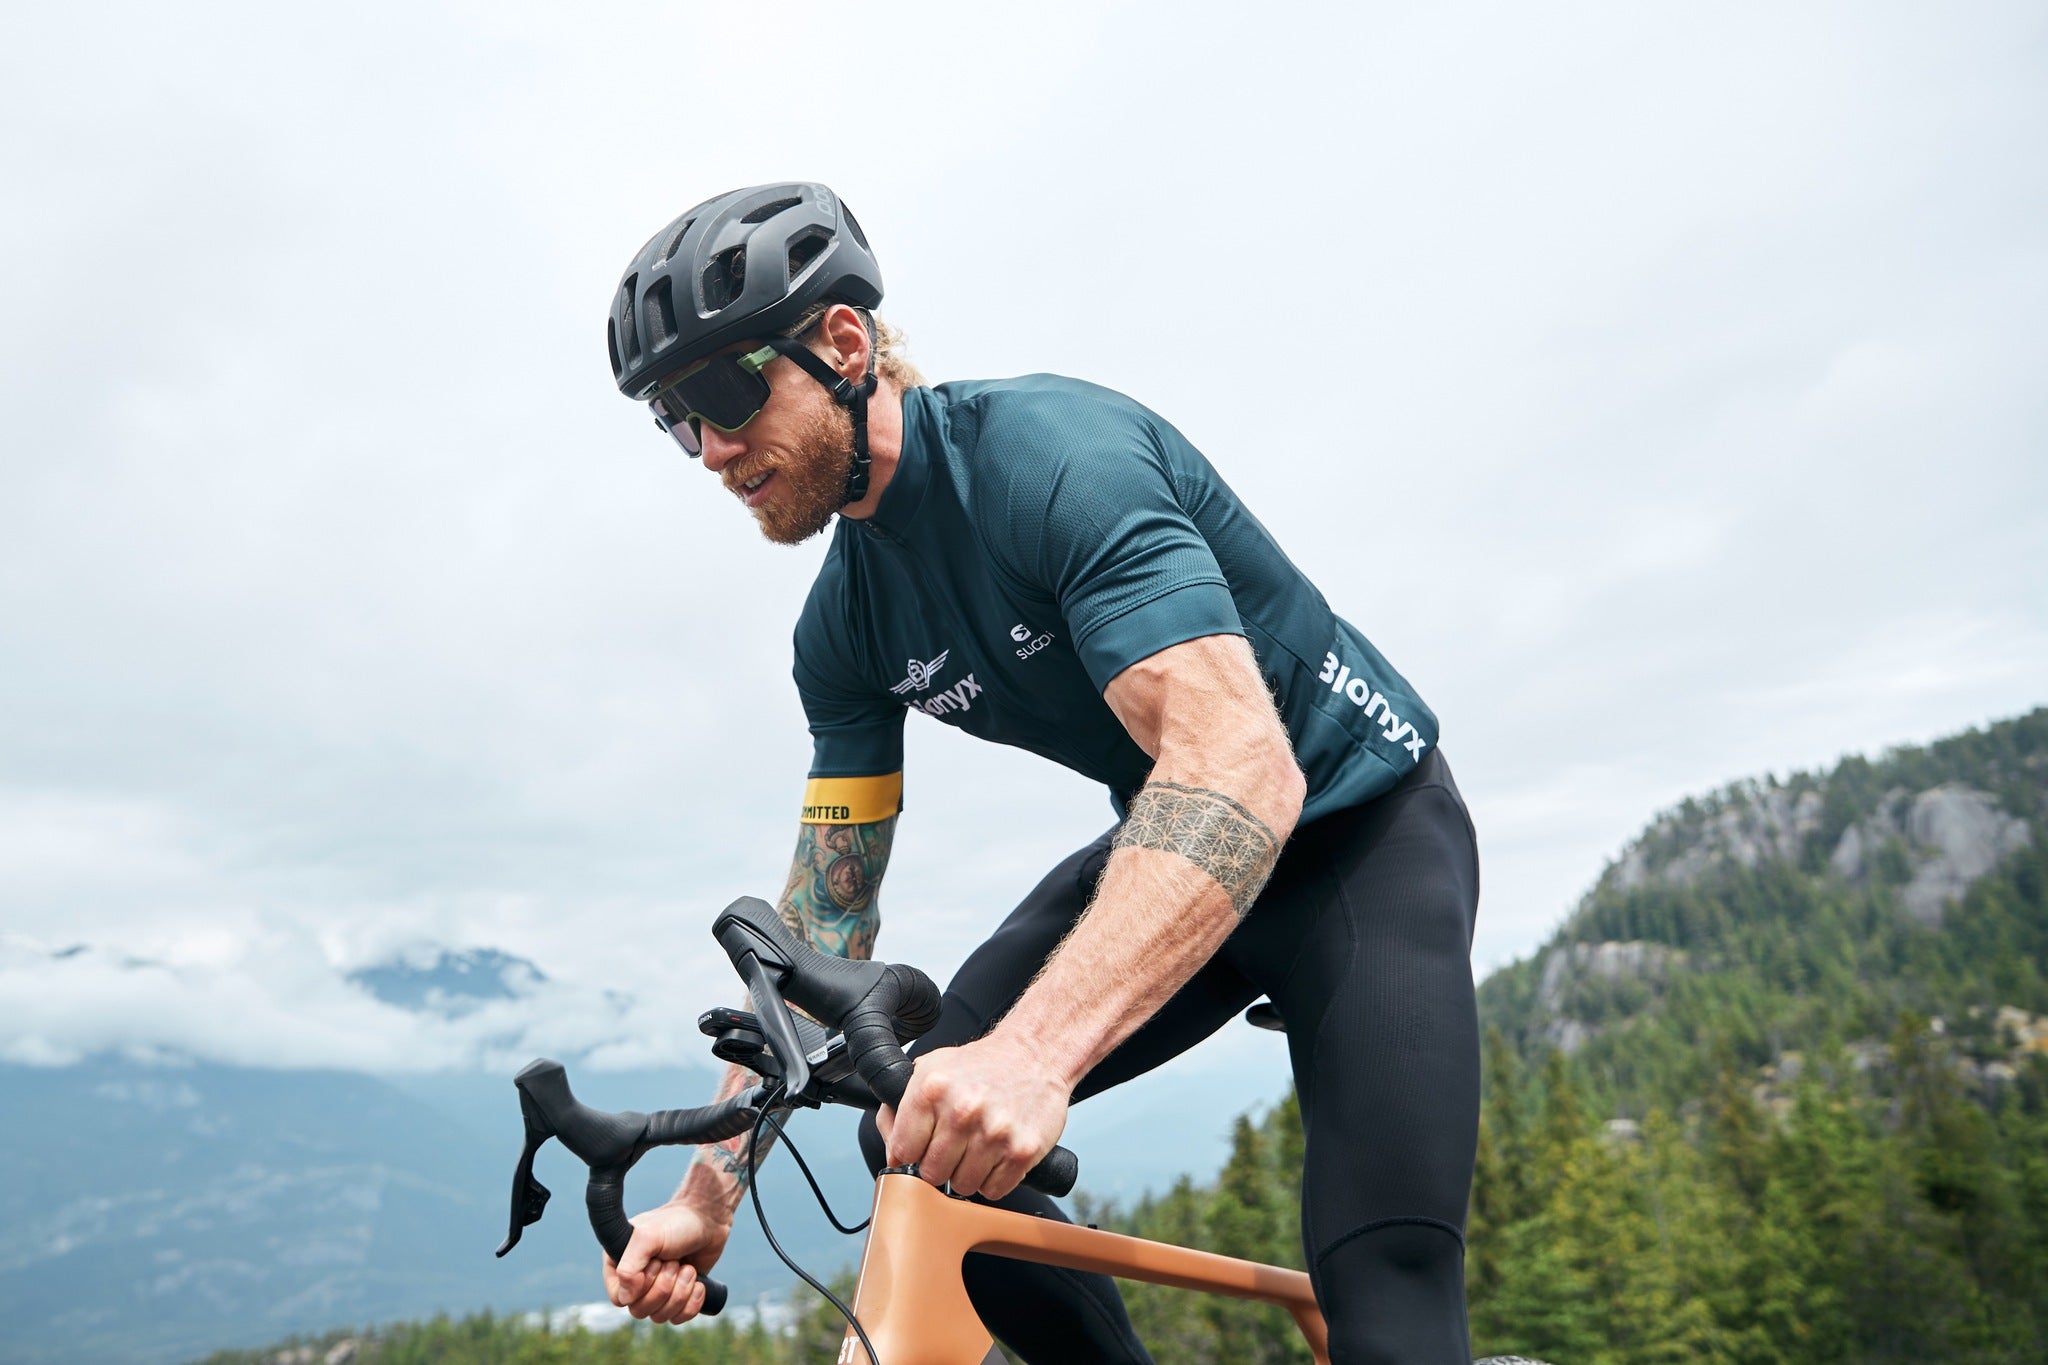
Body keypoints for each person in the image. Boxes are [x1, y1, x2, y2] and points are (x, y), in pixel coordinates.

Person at [598, 182, 1482, 1365]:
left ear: (844, 344)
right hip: (1172, 854)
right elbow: (825, 915)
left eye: (722, 392)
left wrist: (1029, 1056)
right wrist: (707, 1200)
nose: (708, 449)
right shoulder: (841, 629)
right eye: (674, 418)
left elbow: (1239, 766)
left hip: (1359, 838)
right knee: (910, 1131)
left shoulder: (1052, 457)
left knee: (1382, 1290)